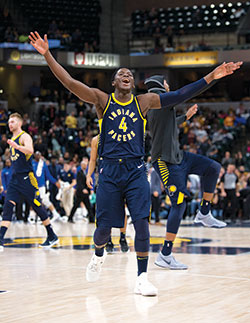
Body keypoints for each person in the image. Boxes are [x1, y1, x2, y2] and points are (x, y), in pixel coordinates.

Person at [29, 30, 242, 296]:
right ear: (114, 82)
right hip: (110, 171)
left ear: (134, 81)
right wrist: (47, 54)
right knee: (103, 231)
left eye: (129, 73)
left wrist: (211, 76)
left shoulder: (145, 102)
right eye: (121, 73)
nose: (126, 74)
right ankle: (97, 255)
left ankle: (142, 277)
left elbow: (179, 95)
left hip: (135, 171)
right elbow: (70, 83)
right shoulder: (102, 100)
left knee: (141, 223)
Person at [144, 75, 230, 270]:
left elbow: (169, 125)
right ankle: (165, 254)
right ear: (160, 85)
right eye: (166, 83)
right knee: (179, 201)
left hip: (179, 157)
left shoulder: (155, 105)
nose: (168, 85)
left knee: (213, 168)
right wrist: (212, 76)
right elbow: (186, 92)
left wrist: (186, 118)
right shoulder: (159, 100)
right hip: (164, 162)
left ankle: (204, 212)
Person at [0, 113, 58, 251]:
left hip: (27, 178)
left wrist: (17, 146)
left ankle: (52, 234)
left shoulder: (24, 136)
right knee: (8, 207)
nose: (10, 124)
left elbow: (30, 150)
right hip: (15, 179)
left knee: (37, 206)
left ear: (19, 123)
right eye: (9, 122)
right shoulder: (12, 139)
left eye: (13, 121)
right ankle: (0, 239)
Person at [86, 135, 129, 252]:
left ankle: (123, 237)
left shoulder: (120, 135)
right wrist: (89, 175)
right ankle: (108, 239)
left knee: (122, 209)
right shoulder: (96, 140)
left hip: (122, 175)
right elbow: (93, 160)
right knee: (106, 211)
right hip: (106, 177)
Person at [32, 151, 61, 222]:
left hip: (41, 186)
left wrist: (55, 182)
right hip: (33, 185)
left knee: (44, 200)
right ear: (34, 155)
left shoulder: (43, 164)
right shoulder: (31, 163)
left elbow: (48, 175)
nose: (38, 156)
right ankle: (36, 216)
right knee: (34, 201)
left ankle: (55, 214)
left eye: (39, 155)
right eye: (37, 155)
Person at [68, 159, 95, 223]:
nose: (85, 166)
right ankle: (70, 218)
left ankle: (91, 219)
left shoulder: (87, 173)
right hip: (80, 193)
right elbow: (79, 182)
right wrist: (83, 189)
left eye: (86, 165)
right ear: (81, 165)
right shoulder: (79, 172)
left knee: (88, 206)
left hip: (86, 193)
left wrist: (89, 189)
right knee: (76, 205)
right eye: (84, 164)